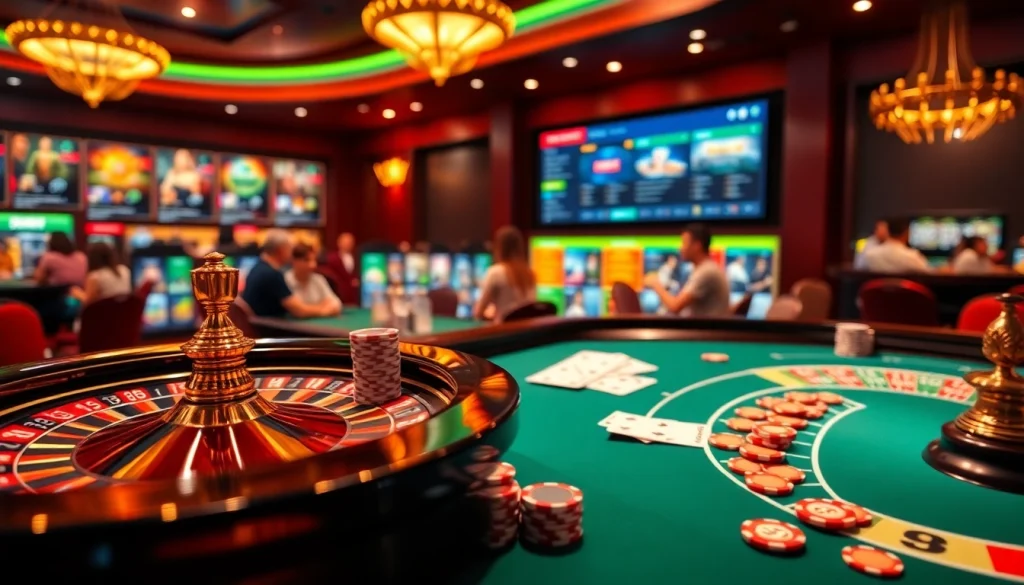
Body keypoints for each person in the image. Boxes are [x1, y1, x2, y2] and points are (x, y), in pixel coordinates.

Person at [241, 229, 334, 318]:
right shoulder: (271, 274)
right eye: (290, 248)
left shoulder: (258, 267)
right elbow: (300, 311)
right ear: (281, 250)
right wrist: (324, 310)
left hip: (257, 325)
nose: (291, 253)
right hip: (265, 329)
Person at [643, 223, 730, 317]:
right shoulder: (704, 269)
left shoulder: (707, 272)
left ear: (697, 246)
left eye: (684, 243)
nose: (680, 248)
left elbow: (675, 307)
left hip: (705, 331)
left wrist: (655, 284)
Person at [473, 226, 537, 322]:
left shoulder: (495, 272)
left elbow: (478, 313)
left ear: (499, 247)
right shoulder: (529, 273)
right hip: (526, 333)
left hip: (504, 332)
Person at [285, 244, 342, 316]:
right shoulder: (285, 280)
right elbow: (299, 312)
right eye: (307, 260)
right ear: (294, 261)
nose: (313, 265)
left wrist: (308, 309)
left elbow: (336, 305)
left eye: (314, 260)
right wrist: (322, 307)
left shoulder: (318, 279)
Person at [859, 218, 931, 273]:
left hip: (874, 293)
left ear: (888, 231)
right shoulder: (912, 257)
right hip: (905, 293)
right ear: (906, 233)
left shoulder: (869, 256)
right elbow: (929, 274)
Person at [325, 232, 360, 305]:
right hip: (338, 296)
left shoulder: (358, 258)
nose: (348, 244)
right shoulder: (331, 258)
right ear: (339, 243)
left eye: (350, 242)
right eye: (345, 242)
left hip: (354, 297)